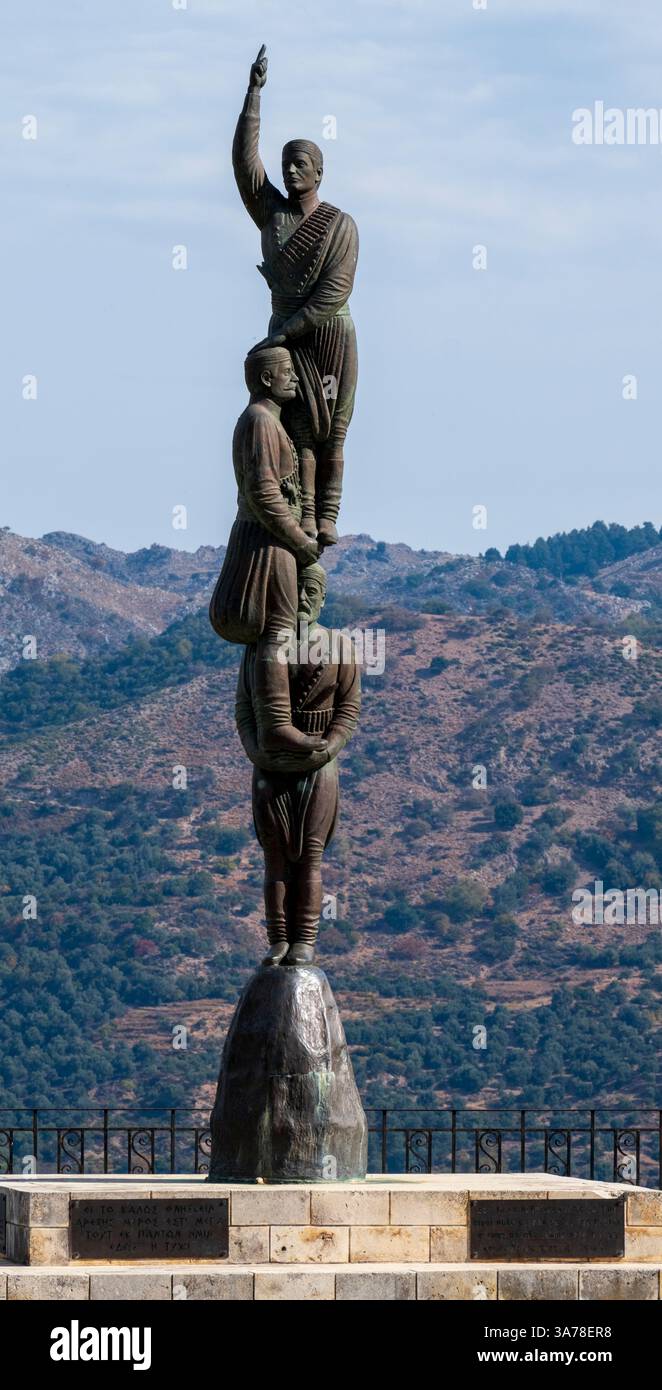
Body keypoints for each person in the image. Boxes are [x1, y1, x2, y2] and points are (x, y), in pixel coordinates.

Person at [232, 44, 359, 547]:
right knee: (297, 428)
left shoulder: (341, 225)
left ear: (319, 173)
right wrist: (253, 94)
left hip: (327, 333)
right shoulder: (272, 214)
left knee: (335, 427)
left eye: (300, 164)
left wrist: (287, 329)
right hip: (285, 335)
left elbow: (335, 289)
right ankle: (302, 512)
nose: (290, 172)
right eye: (286, 164)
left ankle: (328, 513)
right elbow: (244, 163)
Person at [235, 562, 361, 966]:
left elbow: (349, 708)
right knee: (274, 854)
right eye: (297, 589)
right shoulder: (260, 647)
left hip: (317, 763)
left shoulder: (341, 646)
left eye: (311, 590)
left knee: (309, 853)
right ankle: (277, 939)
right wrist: (256, 751)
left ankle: (304, 939)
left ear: (322, 597)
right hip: (270, 766)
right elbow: (243, 709)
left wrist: (330, 747)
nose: (303, 598)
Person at [209, 345, 325, 758]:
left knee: (279, 628)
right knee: (275, 629)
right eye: (287, 371)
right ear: (265, 379)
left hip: (277, 539)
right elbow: (263, 491)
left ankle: (275, 721)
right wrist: (299, 540)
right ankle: (276, 724)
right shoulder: (259, 421)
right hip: (267, 540)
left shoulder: (272, 423)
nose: (293, 378)